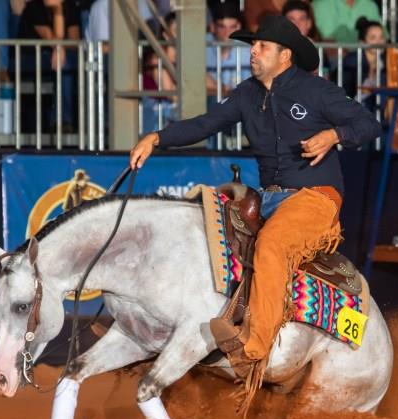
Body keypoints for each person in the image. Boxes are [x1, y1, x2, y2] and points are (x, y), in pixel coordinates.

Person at [128, 15, 381, 373]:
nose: (254, 52)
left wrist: (334, 135)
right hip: (269, 195)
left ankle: (254, 348)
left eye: (263, 46)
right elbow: (206, 123)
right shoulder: (247, 92)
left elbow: (369, 123)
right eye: (254, 45)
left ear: (285, 56)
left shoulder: (317, 91)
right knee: (208, 235)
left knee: (273, 245)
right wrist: (157, 137)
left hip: (316, 196)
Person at [18, 0, 81, 132]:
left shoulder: (70, 6)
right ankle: (61, 122)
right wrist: (58, 12)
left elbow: (75, 41)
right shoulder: (34, 7)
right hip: (29, 57)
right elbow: (51, 38)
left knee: (74, 61)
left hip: (57, 56)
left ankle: (73, 122)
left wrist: (60, 48)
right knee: (65, 62)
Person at [206, 2, 251, 99]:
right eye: (222, 27)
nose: (227, 33)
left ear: (238, 26)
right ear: (213, 27)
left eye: (232, 27)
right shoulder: (201, 46)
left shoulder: (247, 50)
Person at [341, 17, 386, 111]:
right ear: (362, 42)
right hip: (355, 109)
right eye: (373, 38)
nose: (379, 42)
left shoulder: (386, 59)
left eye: (381, 37)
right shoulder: (352, 60)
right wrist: (371, 73)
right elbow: (348, 93)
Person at [312, 0, 381, 43]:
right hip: (329, 61)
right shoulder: (319, 4)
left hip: (367, 60)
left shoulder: (370, 5)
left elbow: (384, 39)